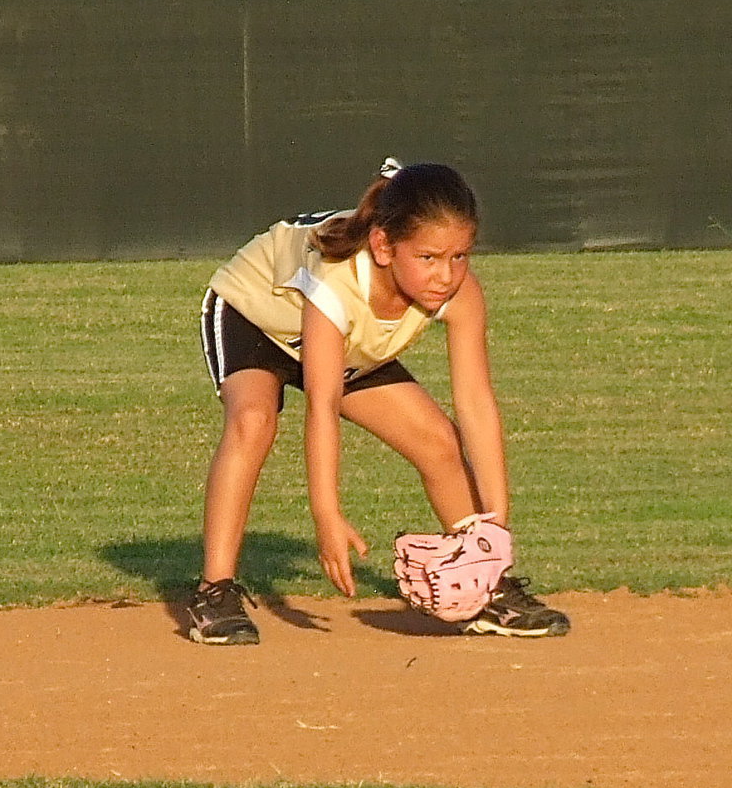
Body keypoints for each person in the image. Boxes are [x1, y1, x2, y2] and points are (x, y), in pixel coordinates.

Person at [190, 157, 570, 645]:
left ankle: (489, 588)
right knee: (254, 420)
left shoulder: (459, 294)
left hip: (348, 341)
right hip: (257, 317)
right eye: (429, 257)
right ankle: (214, 591)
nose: (446, 275)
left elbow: (475, 402)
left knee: (438, 441)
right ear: (383, 246)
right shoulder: (337, 282)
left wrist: (494, 527)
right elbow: (323, 405)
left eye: (461, 256)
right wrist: (326, 514)